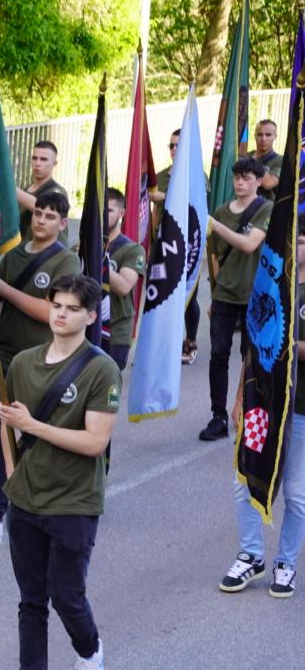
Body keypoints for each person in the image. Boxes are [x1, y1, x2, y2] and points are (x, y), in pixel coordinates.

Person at [0, 275, 120, 670]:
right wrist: (11, 474)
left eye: (71, 307)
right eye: (56, 305)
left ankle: (90, 651)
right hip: (25, 500)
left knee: (67, 594)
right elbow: (8, 426)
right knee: (31, 600)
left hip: (73, 502)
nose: (60, 313)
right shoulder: (24, 363)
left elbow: (93, 442)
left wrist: (36, 426)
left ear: (90, 316)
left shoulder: (101, 369)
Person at [0, 189, 81, 549]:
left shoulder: (65, 262)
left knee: (38, 434)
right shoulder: (12, 255)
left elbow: (49, 311)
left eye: (51, 216)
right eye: (38, 213)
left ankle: (44, 502)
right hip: (4, 358)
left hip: (43, 361)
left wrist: (3, 287)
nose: (41, 220)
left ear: (62, 223)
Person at [217, 229, 305, 598]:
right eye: (294, 239)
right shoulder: (269, 286)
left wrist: (287, 344)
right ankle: (251, 555)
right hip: (262, 406)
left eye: (302, 240)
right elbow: (252, 348)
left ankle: (286, 563)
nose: (297, 244)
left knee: (296, 494)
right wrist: (240, 398)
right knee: (245, 481)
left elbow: (280, 343)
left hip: (299, 411)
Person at [201, 157, 273, 442]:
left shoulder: (265, 209)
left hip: (255, 296)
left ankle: (245, 410)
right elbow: (215, 257)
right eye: (237, 178)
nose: (240, 183)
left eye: (246, 178)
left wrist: (215, 226)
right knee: (218, 354)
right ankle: (218, 415)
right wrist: (215, 293)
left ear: (258, 180)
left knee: (251, 357)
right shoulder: (220, 211)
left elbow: (249, 244)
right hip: (226, 295)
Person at [151, 128, 203, 365]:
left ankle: (190, 340)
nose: (174, 150)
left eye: (178, 146)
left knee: (188, 296)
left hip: (187, 244)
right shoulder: (161, 176)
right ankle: (162, 344)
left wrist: (162, 195)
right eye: (171, 146)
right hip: (163, 244)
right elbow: (154, 210)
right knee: (161, 293)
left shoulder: (196, 175)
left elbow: (195, 203)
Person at [103, 187, 146, 369]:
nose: (103, 215)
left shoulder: (132, 250)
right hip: (84, 326)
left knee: (109, 391)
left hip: (116, 331)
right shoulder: (81, 245)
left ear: (122, 213)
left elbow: (124, 286)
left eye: (109, 211)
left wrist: (97, 259)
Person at [16, 140, 66, 242]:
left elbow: (43, 207)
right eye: (34, 158)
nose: (38, 163)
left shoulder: (58, 191)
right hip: (24, 252)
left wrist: (10, 187)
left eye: (43, 159)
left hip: (51, 255)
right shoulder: (25, 190)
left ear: (54, 163)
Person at [252, 119, 283, 200]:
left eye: (268, 135)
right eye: (260, 134)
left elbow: (268, 184)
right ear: (254, 135)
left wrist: (251, 161)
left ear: (275, 136)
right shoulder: (246, 156)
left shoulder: (280, 160)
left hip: (266, 208)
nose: (263, 139)